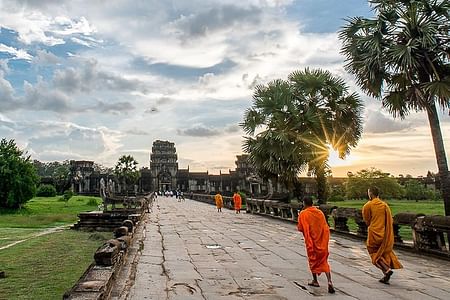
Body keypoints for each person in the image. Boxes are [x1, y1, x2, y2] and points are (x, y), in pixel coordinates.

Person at [363, 186, 402, 284]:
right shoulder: (384, 205)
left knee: (373, 252)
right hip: (384, 233)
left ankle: (387, 269)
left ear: (371, 194)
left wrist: (372, 226)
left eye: (368, 192)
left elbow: (366, 220)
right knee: (382, 253)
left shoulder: (368, 205)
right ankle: (385, 276)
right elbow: (389, 220)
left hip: (374, 233)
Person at [297, 196, 335, 294]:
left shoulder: (303, 213)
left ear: (304, 203)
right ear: (312, 203)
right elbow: (325, 227)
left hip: (312, 242)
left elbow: (301, 228)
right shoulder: (319, 212)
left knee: (312, 260)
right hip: (322, 241)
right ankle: (329, 281)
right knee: (324, 262)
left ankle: (315, 281)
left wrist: (300, 216)